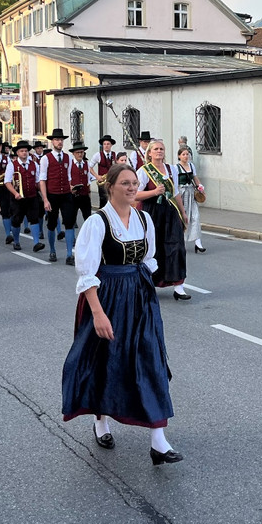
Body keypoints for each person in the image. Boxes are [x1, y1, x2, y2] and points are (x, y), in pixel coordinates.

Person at [62, 163, 182, 465]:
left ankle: (158, 440)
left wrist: (145, 291)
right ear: (110, 186)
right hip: (107, 297)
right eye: (125, 183)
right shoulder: (97, 222)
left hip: (140, 298)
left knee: (150, 359)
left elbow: (149, 258)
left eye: (133, 183)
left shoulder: (143, 218)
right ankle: (100, 421)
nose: (131, 188)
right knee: (105, 361)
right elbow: (86, 271)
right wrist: (98, 314)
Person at [135, 139, 190, 300]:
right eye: (156, 149)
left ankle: (179, 286)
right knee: (153, 248)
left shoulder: (171, 169)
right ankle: (148, 283)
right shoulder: (144, 171)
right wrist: (154, 192)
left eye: (162, 149)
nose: (159, 151)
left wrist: (183, 212)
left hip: (170, 212)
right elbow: (135, 194)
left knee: (176, 246)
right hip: (151, 212)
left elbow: (175, 193)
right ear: (150, 153)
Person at [38, 128, 76, 264]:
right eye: (57, 140)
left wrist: (72, 188)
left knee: (70, 223)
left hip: (66, 194)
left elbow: (69, 176)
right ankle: (52, 251)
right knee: (52, 224)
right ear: (52, 142)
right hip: (52, 195)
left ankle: (69, 254)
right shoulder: (45, 159)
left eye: (61, 140)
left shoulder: (68, 157)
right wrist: (45, 199)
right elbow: (42, 179)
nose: (59, 142)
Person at [4, 140, 43, 251]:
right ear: (17, 153)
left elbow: (38, 181)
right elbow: (7, 182)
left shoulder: (34, 164)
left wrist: (43, 193)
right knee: (16, 220)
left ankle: (36, 243)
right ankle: (16, 241)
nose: (24, 153)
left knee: (34, 218)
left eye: (26, 151)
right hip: (17, 198)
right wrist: (15, 193)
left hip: (31, 196)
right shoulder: (12, 165)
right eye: (22, 151)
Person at [175, 147, 205, 253]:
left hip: (191, 193)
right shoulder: (176, 168)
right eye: (183, 154)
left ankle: (198, 242)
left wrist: (200, 186)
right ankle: (181, 242)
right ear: (179, 156)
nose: (186, 156)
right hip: (181, 194)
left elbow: (195, 178)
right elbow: (174, 183)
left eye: (187, 154)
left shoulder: (191, 166)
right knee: (183, 218)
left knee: (195, 217)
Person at [68, 142, 94, 263]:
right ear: (73, 153)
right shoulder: (70, 164)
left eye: (82, 152)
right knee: (72, 219)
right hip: (73, 196)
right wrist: (70, 187)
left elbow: (88, 178)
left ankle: (88, 239)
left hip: (84, 195)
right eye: (78, 152)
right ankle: (72, 238)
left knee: (88, 218)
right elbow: (67, 178)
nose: (80, 154)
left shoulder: (86, 164)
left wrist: (89, 191)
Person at [89, 135, 117, 207]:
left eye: (108, 144)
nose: (106, 146)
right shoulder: (98, 155)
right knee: (103, 201)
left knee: (113, 200)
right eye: (104, 144)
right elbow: (89, 167)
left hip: (112, 181)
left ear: (111, 145)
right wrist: (96, 176)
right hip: (102, 182)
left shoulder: (115, 154)